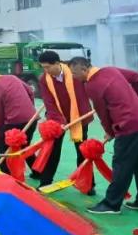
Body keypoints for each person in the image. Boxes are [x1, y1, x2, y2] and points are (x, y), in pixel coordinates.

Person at [69, 57, 138, 215]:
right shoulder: (110, 70)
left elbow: (103, 112)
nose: (74, 77)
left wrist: (109, 131)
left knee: (121, 165)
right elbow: (136, 77)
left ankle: (111, 204)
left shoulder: (92, 85)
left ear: (84, 69)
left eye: (74, 73)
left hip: (128, 126)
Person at [37, 50, 95, 191]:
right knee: (52, 149)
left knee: (82, 150)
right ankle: (45, 181)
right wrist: (59, 123)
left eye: (48, 67)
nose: (46, 71)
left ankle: (88, 185)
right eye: (43, 67)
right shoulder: (44, 79)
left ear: (57, 63)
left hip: (79, 116)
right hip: (57, 118)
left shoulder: (74, 73)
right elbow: (49, 102)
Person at [0, 66, 37, 174]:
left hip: (14, 121)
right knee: (25, 145)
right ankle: (37, 171)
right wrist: (31, 109)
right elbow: (30, 91)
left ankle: (6, 174)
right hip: (32, 118)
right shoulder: (12, 77)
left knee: (1, 145)